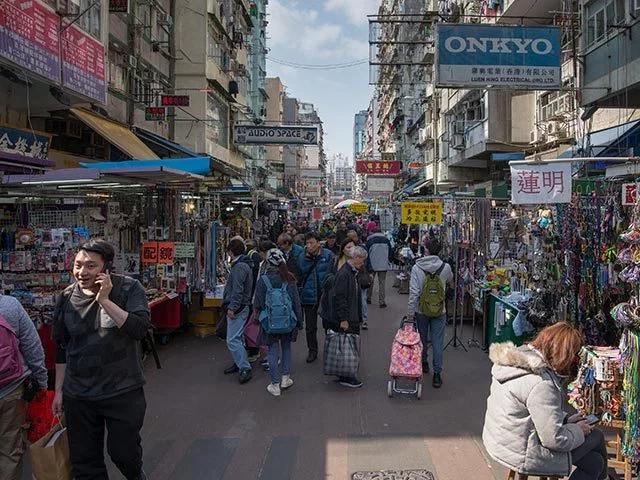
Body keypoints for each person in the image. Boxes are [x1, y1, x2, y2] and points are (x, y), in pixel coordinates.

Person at [52, 239, 150, 480]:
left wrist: (105, 301)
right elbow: (63, 347)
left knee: (123, 453)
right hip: (80, 394)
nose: (82, 272)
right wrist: (58, 391)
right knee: (85, 463)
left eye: (90, 266)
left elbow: (139, 330)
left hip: (122, 390)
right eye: (78, 265)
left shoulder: (128, 289)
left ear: (106, 268)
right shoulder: (65, 298)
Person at [483, 322, 610, 480]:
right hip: (525, 453)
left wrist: (565, 419)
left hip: (503, 440)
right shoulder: (540, 383)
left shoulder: (516, 362)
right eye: (573, 357)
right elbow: (554, 440)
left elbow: (531, 409)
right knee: (596, 436)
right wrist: (578, 430)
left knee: (595, 463)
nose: (573, 361)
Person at [0, 295, 47, 479]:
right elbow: (33, 347)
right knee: (10, 451)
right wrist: (42, 383)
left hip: (11, 390)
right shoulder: (9, 305)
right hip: (11, 390)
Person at [253, 249, 303, 397]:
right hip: (287, 322)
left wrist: (258, 319)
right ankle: (285, 379)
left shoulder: (263, 280)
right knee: (286, 348)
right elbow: (296, 302)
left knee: (273, 351)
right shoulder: (289, 278)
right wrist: (299, 321)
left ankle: (275, 385)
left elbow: (258, 303)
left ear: (268, 262)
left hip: (269, 323)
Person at [407, 237, 453, 388]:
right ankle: (437, 374)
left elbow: (414, 292)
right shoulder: (445, 267)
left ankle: (424, 362)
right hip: (440, 310)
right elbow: (450, 280)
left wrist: (410, 312)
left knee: (422, 338)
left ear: (425, 249)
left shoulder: (417, 267)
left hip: (422, 310)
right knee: (437, 341)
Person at [327, 246, 368, 388]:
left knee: (346, 346)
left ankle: (344, 373)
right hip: (348, 317)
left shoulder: (350, 272)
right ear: (355, 258)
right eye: (361, 260)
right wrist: (343, 318)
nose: (362, 264)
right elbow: (340, 298)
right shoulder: (345, 274)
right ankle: (348, 376)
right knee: (349, 347)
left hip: (351, 315)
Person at [297, 231, 334, 363]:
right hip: (308, 294)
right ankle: (312, 350)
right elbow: (300, 272)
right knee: (310, 327)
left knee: (328, 324)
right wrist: (308, 258)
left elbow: (332, 273)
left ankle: (330, 349)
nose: (308, 245)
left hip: (325, 295)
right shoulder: (302, 256)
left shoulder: (328, 255)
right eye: (307, 243)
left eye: (311, 242)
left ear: (319, 243)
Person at [222, 237, 254, 384]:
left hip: (239, 307)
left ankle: (244, 367)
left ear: (231, 251)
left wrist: (232, 307)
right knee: (238, 337)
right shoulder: (242, 264)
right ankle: (239, 362)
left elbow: (238, 290)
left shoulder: (240, 267)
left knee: (232, 339)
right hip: (241, 305)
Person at [366, 226, 394, 309]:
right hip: (383, 265)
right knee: (382, 283)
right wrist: (388, 260)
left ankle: (368, 298)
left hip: (372, 265)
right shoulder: (387, 240)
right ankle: (382, 302)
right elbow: (390, 253)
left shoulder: (370, 241)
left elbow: (366, 253)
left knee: (370, 282)